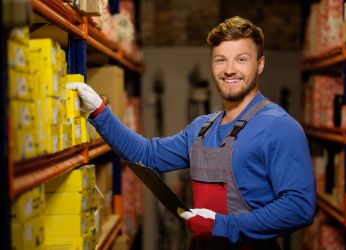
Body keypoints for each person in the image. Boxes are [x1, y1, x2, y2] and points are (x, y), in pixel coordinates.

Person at [67, 16, 316, 250]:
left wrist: (223, 225)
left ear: (260, 64)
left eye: (241, 59)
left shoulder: (279, 127)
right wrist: (100, 112)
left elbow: (299, 207)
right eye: (220, 59)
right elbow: (146, 154)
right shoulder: (201, 128)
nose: (229, 69)